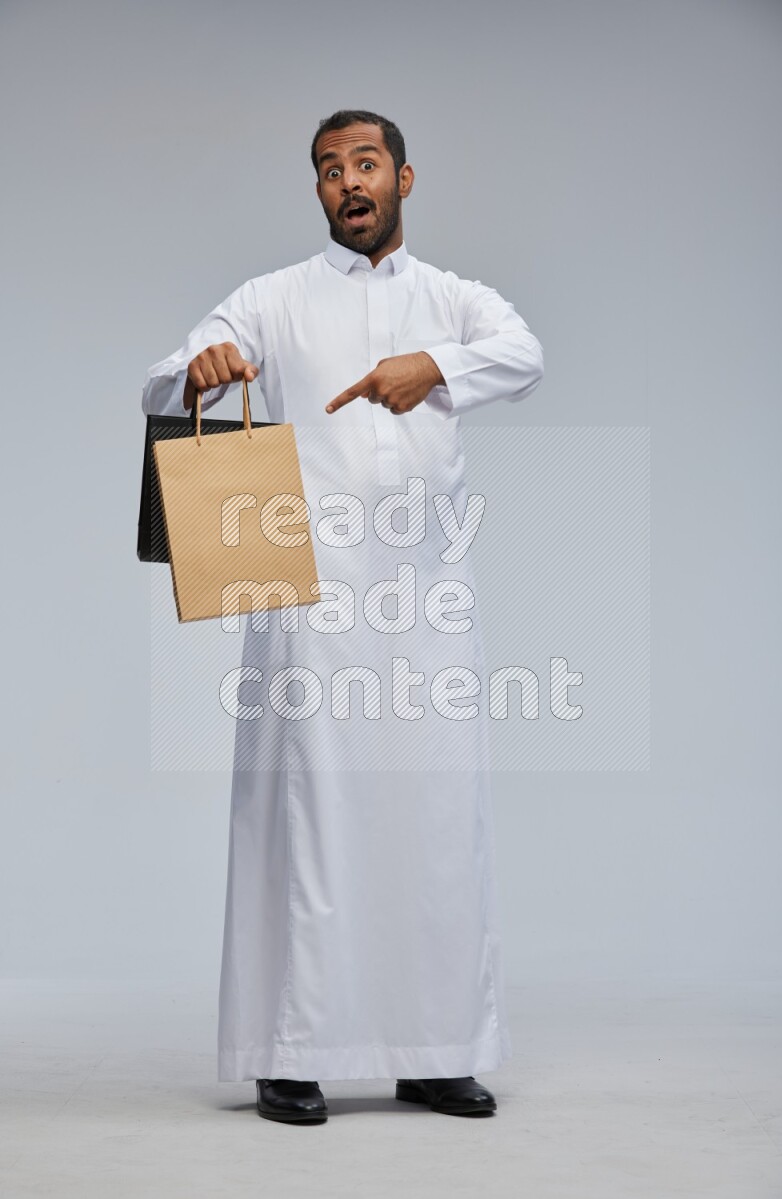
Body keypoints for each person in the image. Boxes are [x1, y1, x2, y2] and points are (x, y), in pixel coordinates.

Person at [141, 109, 544, 1124]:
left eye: (364, 164)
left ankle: (432, 1047)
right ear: (317, 191)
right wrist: (206, 365)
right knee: (308, 822)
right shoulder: (272, 298)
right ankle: (292, 1048)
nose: (347, 182)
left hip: (424, 602)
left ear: (404, 177)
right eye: (328, 170)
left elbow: (525, 353)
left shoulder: (451, 299)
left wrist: (435, 367)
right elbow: (170, 371)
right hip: (306, 600)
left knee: (435, 824)